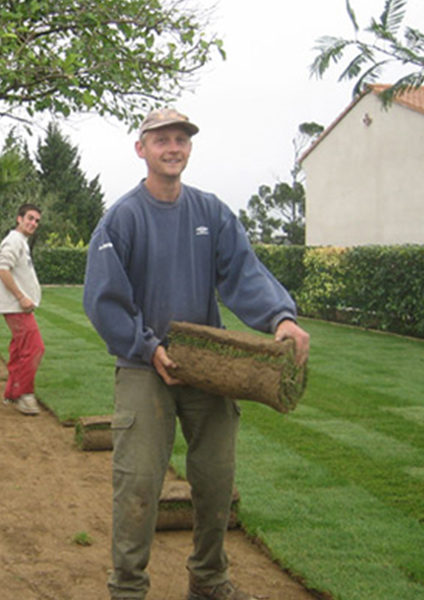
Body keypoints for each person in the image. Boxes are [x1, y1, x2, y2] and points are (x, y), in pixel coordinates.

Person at [83, 108, 310, 600]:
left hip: (207, 364)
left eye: (181, 140)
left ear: (189, 149)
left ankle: (208, 580)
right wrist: (148, 346)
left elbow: (244, 274)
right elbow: (103, 301)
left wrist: (281, 317)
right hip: (145, 366)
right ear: (141, 149)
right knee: (138, 482)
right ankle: (127, 588)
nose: (173, 147)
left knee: (215, 479)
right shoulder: (123, 218)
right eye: (161, 139)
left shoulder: (211, 213)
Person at [0, 203, 45, 416]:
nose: (33, 223)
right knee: (34, 348)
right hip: (16, 307)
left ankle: (12, 393)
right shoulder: (14, 241)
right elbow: (2, 270)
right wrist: (21, 297)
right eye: (30, 218)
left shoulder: (20, 242)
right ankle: (25, 395)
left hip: (19, 307)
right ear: (19, 219)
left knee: (19, 349)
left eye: (36, 221)